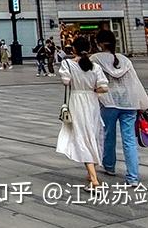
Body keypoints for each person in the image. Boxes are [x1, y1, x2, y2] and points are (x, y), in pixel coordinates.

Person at [91, 29, 148, 185]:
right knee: (129, 139)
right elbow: (135, 82)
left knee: (108, 135)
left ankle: (109, 166)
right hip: (129, 102)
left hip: (108, 102)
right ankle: (133, 177)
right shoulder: (125, 60)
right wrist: (142, 103)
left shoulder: (95, 59)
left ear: (99, 43)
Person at [56, 36, 108, 189]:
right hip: (92, 101)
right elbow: (104, 87)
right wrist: (92, 90)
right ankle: (92, 170)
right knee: (93, 134)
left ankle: (94, 180)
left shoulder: (68, 64)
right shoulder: (95, 66)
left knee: (82, 137)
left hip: (77, 101)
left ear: (73, 49)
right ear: (90, 49)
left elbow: (66, 81)